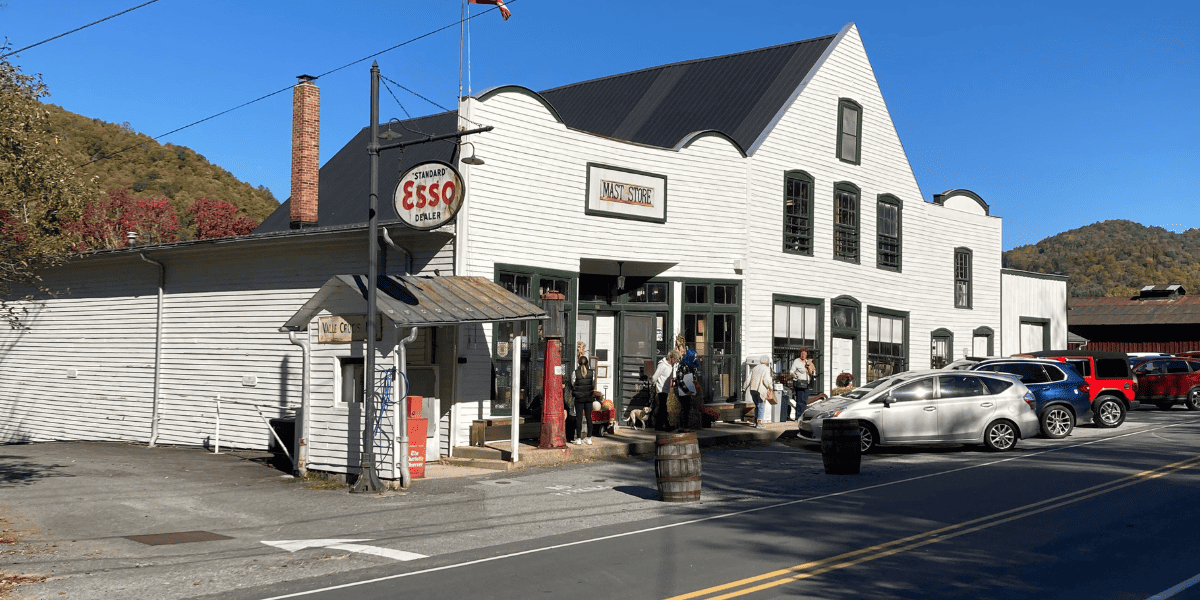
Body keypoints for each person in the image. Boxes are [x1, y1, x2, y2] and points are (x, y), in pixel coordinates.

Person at [570, 355, 599, 445]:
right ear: (587, 363)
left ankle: (578, 438)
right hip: (589, 398)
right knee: (588, 418)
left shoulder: (575, 373)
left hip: (579, 398)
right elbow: (593, 384)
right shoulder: (592, 373)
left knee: (579, 418)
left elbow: (572, 384)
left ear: (579, 363)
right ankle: (589, 438)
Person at [652, 349, 682, 432]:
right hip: (661, 388)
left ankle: (659, 425)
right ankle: (666, 425)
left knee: (662, 407)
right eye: (675, 359)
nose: (676, 361)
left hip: (665, 389)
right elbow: (655, 376)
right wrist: (653, 384)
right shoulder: (662, 365)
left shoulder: (669, 366)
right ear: (671, 358)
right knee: (663, 407)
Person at [742, 354, 772, 428]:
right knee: (761, 405)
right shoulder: (766, 368)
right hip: (761, 390)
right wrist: (771, 387)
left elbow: (748, 379)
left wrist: (744, 388)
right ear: (767, 362)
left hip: (752, 389)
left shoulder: (755, 368)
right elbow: (766, 380)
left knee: (757, 406)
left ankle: (756, 422)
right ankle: (759, 423)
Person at [787, 348, 816, 421]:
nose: (803, 355)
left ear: (807, 355)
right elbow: (791, 371)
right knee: (800, 400)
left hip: (807, 383)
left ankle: (803, 417)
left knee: (804, 400)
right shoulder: (796, 361)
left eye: (805, 354)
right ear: (800, 354)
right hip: (799, 382)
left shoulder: (808, 362)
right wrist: (794, 375)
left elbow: (814, 373)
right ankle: (798, 417)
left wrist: (810, 369)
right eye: (802, 353)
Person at [675, 349, 699, 432]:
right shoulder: (683, 366)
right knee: (684, 408)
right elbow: (680, 380)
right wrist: (686, 390)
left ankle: (685, 425)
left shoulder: (690, 366)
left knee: (687, 408)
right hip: (683, 390)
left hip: (688, 388)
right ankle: (682, 426)